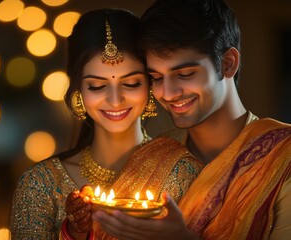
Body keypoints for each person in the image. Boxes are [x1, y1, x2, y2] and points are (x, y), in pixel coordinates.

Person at [92, 0, 291, 239]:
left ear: (228, 63)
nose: (168, 93)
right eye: (156, 77)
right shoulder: (154, 155)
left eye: (185, 74)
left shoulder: (282, 156)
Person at [9, 8, 204, 240]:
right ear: (78, 90)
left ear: (150, 85)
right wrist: (73, 234)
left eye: (131, 83)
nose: (115, 100)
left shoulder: (182, 172)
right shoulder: (39, 185)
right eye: (97, 86)